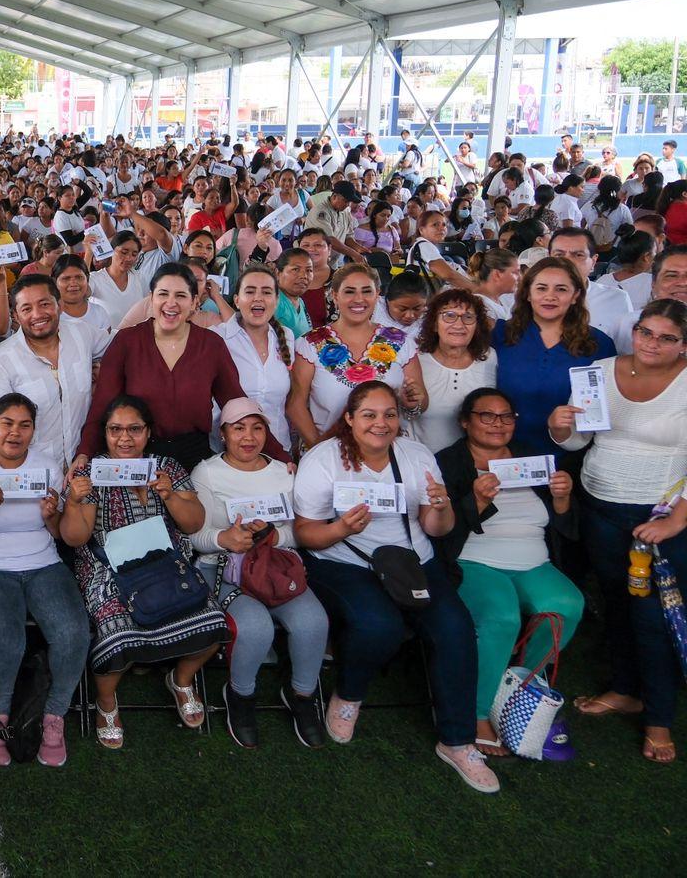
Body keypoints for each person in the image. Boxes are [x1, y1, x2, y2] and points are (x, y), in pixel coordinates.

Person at [292, 382, 496, 793]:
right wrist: (340, 528)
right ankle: (348, 695)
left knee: (455, 628)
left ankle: (457, 741)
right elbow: (305, 534)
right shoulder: (324, 459)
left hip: (413, 561)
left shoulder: (416, 455)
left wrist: (441, 508)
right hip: (345, 561)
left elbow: (438, 529)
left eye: (389, 414)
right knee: (378, 624)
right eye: (369, 414)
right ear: (349, 419)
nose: (380, 423)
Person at [549, 299, 687, 763]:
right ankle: (626, 689)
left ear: (683, 344)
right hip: (600, 504)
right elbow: (582, 438)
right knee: (616, 604)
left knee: (651, 616)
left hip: (660, 517)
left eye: (666, 337)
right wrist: (560, 427)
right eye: (647, 332)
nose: (652, 343)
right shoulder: (601, 370)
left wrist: (678, 519)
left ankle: (659, 718)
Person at [61, 395, 226, 746]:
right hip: (110, 567)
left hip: (166, 563)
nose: (125, 438)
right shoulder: (92, 472)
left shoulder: (166, 467)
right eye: (115, 430)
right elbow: (76, 538)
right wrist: (74, 501)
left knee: (213, 624)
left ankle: (181, 679)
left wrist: (169, 494)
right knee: (114, 631)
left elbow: (194, 523)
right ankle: (106, 701)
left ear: (147, 432)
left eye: (134, 429)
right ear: (104, 434)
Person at [433, 388, 582, 757]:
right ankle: (478, 710)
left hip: (533, 559)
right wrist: (477, 500)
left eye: (506, 416)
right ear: (465, 421)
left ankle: (519, 689)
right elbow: (438, 531)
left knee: (567, 604)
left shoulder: (532, 458)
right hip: (473, 558)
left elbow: (565, 526)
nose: (498, 424)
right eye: (486, 416)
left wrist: (563, 497)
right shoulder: (448, 463)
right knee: (501, 616)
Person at [0, 393, 88, 768]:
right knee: (6, 637)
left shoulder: (46, 466)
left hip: (43, 562)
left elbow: (59, 532)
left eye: (24, 425)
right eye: (7, 423)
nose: (15, 432)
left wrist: (49, 516)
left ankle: (54, 718)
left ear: (33, 430)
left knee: (74, 631)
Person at [192, 398, 328, 749]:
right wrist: (226, 538)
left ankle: (302, 695)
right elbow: (194, 535)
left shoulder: (284, 471)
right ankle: (240, 695)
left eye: (257, 428)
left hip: (275, 568)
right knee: (255, 627)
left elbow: (301, 530)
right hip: (223, 569)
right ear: (223, 434)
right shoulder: (207, 472)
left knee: (313, 622)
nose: (248, 437)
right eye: (238, 428)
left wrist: (272, 535)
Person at [79, 263, 269, 472]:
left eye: (180, 295)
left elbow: (237, 404)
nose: (171, 303)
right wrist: (85, 452)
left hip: (194, 458)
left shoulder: (211, 344)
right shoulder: (127, 341)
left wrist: (277, 455)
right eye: (163, 294)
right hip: (136, 457)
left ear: (195, 302)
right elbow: (103, 404)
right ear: (151, 299)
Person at [491, 256, 615, 458]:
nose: (550, 296)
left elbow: (599, 412)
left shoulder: (599, 345)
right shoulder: (500, 335)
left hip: (569, 458)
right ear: (528, 294)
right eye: (541, 288)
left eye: (561, 289)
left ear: (576, 295)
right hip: (504, 455)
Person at [287, 264, 424, 446]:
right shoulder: (311, 344)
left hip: (387, 454)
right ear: (335, 295)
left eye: (367, 291)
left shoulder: (401, 342)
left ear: (377, 295)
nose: (359, 299)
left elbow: (422, 400)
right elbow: (296, 405)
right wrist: (321, 450)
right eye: (349, 292)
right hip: (328, 458)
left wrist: (413, 403)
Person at [0, 274, 95, 473]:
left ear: (59, 304)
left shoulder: (83, 333)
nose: (37, 314)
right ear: (15, 316)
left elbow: (125, 344)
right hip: (32, 476)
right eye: (26, 309)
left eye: (45, 304)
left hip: (82, 469)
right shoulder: (2, 360)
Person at [210, 264, 295, 451]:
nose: (258, 298)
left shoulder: (287, 337)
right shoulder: (216, 338)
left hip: (278, 449)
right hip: (228, 452)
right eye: (249, 291)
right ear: (237, 300)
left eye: (266, 292)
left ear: (277, 299)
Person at [413, 290, 498, 454]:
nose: (459, 325)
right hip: (423, 461)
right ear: (434, 324)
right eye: (449, 315)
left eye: (468, 317)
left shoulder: (490, 357)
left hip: (472, 464)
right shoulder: (415, 359)